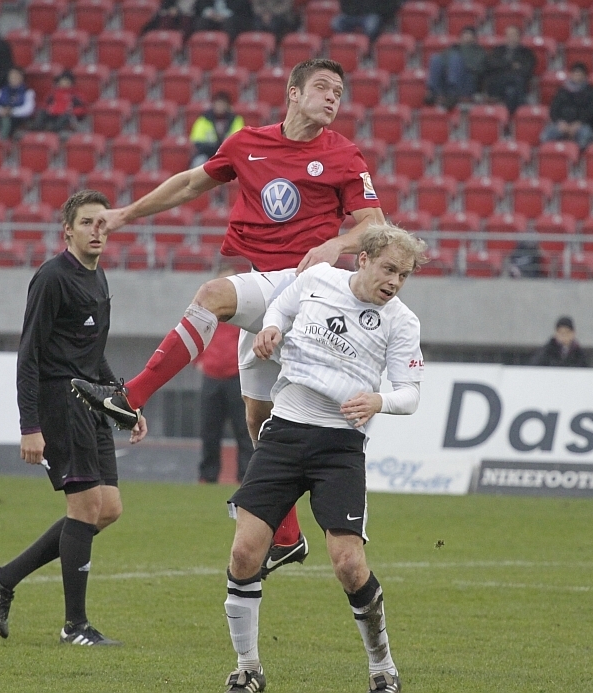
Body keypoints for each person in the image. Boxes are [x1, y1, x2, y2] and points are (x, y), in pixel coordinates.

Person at [71, 59, 385, 578]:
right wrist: (125, 214)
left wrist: (337, 244)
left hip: (310, 289)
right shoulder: (247, 144)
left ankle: (131, 396)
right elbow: (190, 184)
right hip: (267, 287)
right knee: (259, 421)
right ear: (293, 92)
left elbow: (375, 226)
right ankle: (288, 537)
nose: (333, 97)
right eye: (322, 87)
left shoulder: (344, 155)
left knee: (213, 295)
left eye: (339, 91)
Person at [223, 223, 425, 693]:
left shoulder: (401, 321)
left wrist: (379, 401)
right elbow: (281, 306)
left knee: (349, 565)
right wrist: (272, 327)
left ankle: (382, 668)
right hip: (285, 433)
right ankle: (247, 669)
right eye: (389, 269)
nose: (395, 282)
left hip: (339, 446)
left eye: (404, 275)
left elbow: (411, 393)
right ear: (362, 259)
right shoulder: (317, 279)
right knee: (244, 553)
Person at [0, 190, 148, 647]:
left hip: (92, 404)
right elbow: (28, 355)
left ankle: (3, 578)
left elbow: (94, 354)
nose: (97, 231)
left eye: (102, 223)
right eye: (87, 223)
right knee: (84, 509)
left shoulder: (98, 276)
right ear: (67, 231)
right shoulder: (52, 278)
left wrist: (126, 402)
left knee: (107, 508)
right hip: (60, 404)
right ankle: (75, 626)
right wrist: (29, 427)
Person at [195, 283, 253, 484]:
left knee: (244, 429)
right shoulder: (205, 314)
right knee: (209, 430)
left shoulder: (242, 314)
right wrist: (198, 361)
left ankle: (245, 475)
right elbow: (194, 336)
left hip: (237, 378)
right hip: (211, 377)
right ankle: (208, 475)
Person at [424, 25, 486, 111]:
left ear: (474, 38)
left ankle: (453, 94)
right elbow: (443, 61)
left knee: (455, 58)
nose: (466, 36)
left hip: (467, 82)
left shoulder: (479, 52)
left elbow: (478, 68)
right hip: (447, 80)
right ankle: (432, 92)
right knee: (436, 58)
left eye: (469, 34)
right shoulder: (453, 49)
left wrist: (461, 64)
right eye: (464, 34)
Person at [541, 62, 593, 150]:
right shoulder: (562, 91)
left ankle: (577, 156)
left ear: (585, 76)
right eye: (575, 74)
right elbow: (554, 109)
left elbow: (591, 111)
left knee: (585, 136)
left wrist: (579, 123)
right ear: (571, 75)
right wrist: (560, 122)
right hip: (562, 123)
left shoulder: (591, 92)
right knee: (545, 136)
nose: (577, 76)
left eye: (580, 74)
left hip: (582, 124)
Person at [482, 25, 536, 114]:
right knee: (516, 80)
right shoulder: (498, 50)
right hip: (498, 83)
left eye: (513, 35)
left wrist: (503, 66)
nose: (510, 38)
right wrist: (510, 65)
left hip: (515, 84)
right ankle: (522, 112)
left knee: (511, 92)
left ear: (519, 37)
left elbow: (527, 70)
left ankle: (510, 116)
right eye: (508, 35)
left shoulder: (527, 53)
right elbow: (490, 65)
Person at [190, 91, 245, 168]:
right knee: (199, 160)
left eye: (222, 104)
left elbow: (237, 141)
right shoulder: (204, 119)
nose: (220, 106)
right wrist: (217, 147)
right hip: (207, 154)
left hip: (227, 156)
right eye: (218, 104)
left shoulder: (236, 120)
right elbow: (198, 142)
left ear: (227, 106)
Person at [331, 0, 398, 42]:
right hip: (351, 15)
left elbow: (390, 5)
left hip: (370, 15)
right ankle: (347, 44)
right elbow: (344, 5)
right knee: (336, 23)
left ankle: (368, 49)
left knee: (371, 26)